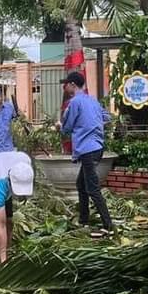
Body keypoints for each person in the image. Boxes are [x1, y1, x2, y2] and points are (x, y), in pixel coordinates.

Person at [57, 71, 114, 235]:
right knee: (81, 184)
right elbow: (107, 117)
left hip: (87, 149)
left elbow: (67, 128)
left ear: (72, 85)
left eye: (66, 84)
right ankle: (84, 220)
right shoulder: (93, 101)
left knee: (92, 188)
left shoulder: (74, 102)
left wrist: (60, 127)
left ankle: (108, 226)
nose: (65, 87)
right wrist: (93, 125)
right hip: (96, 147)